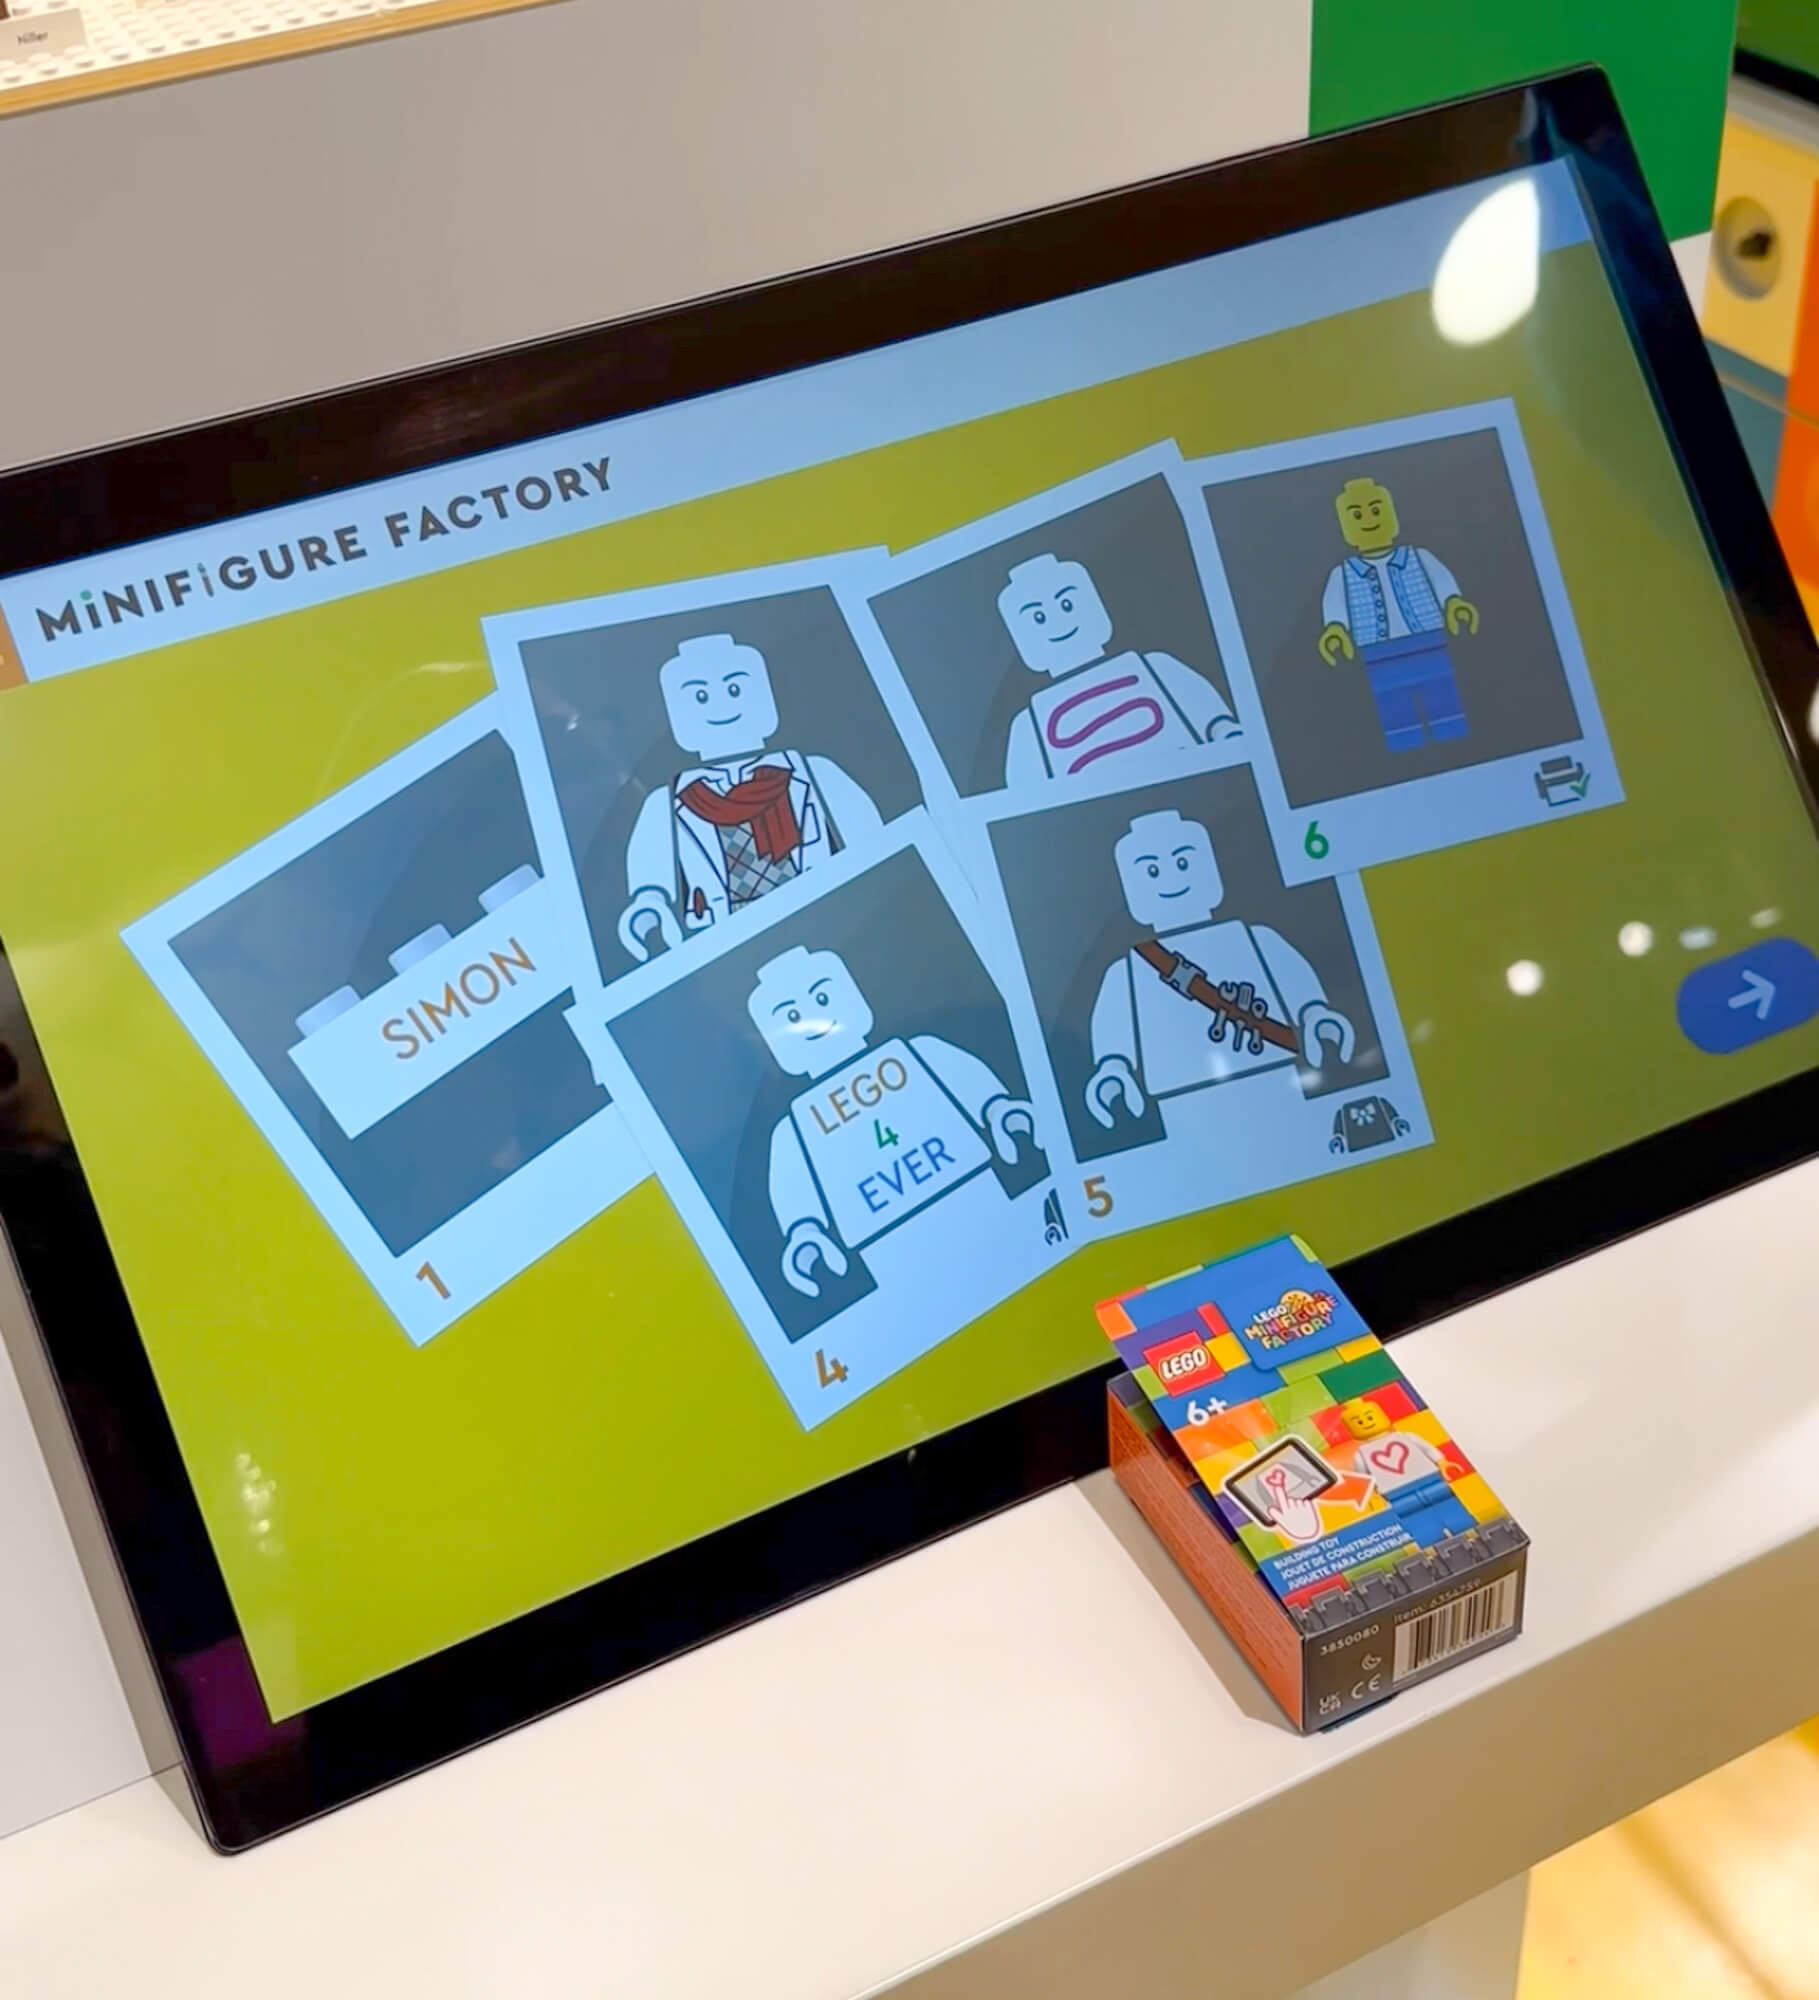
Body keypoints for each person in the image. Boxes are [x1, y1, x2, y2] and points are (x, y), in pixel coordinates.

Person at [748, 945, 1037, 1298]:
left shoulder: (920, 1052)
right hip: (891, 1251)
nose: (814, 1017)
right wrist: (804, 1234)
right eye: (792, 1016)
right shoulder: (793, 1130)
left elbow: (970, 1084)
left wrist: (1000, 1112)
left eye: (822, 997)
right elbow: (793, 1189)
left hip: (981, 1200)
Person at [617, 633, 883, 962]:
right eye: (700, 696)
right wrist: (649, 905)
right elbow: (650, 878)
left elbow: (875, 843)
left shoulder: (816, 774)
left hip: (832, 922)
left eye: (734, 689)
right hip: (731, 945)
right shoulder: (667, 803)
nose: (720, 707)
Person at [1085, 810, 1353, 1129]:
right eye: (1152, 871)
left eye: (1182, 863)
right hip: (1183, 1100)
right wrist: (1113, 1067)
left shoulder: (1256, 939)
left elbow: (1294, 980)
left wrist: (1315, 1015)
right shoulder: (1128, 970)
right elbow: (1113, 1023)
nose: (1171, 879)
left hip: (1278, 1079)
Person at [996, 553, 1238, 788]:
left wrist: (1227, 735)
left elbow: (1213, 718)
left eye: (1066, 605)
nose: (1058, 622)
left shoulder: (1156, 667)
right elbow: (1023, 791)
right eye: (1039, 617)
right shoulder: (1028, 725)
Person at [1317, 477, 1480, 753]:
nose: (1369, 520)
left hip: (1428, 642)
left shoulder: (1419, 557)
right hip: (1378, 652)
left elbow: (1443, 583)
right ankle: (1408, 751)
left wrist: (1453, 602)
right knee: (1394, 707)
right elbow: (1335, 607)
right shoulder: (1343, 574)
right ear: (1345, 527)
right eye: (1357, 515)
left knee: (1442, 698)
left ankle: (1456, 746)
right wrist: (1335, 628)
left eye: (1376, 509)